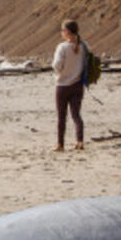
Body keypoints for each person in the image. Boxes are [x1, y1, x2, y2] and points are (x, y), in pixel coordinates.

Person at [52, 20, 86, 151]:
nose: (61, 32)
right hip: (78, 84)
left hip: (62, 85)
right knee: (76, 115)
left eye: (63, 30)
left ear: (68, 31)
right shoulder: (84, 46)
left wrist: (59, 73)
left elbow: (57, 66)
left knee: (61, 117)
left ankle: (60, 144)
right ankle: (80, 141)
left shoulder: (62, 47)